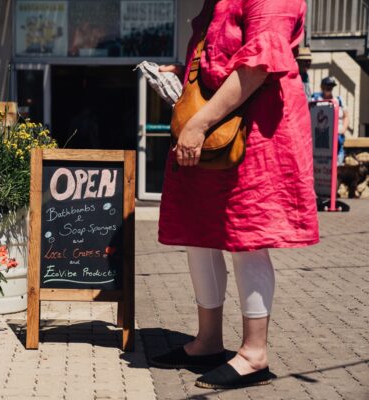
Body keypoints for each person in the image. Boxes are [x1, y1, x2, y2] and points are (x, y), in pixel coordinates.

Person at [153, 0, 319, 390]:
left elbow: (258, 65)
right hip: (215, 127)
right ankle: (207, 341)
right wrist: (185, 76)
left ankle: (254, 354)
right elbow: (223, 61)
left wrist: (199, 123)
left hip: (259, 132)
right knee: (200, 233)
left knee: (248, 238)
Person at [311, 76, 349, 165]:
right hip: (321, 138)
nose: (329, 88)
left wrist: (343, 129)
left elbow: (346, 116)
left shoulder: (339, 100)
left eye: (331, 86)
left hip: (337, 137)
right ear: (322, 87)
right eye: (327, 86)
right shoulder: (315, 100)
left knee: (337, 164)